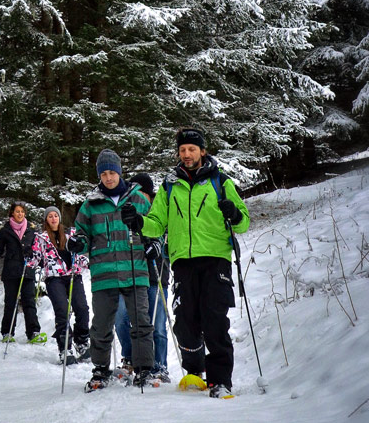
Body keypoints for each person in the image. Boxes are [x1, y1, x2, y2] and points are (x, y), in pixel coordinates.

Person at [121, 128, 250, 399]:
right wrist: (139, 222)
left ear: (202, 151)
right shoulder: (170, 185)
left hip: (215, 259)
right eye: (182, 150)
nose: (187, 154)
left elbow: (244, 222)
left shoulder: (221, 182)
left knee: (215, 320)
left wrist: (234, 213)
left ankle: (220, 380)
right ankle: (194, 371)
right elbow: (157, 223)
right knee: (185, 322)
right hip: (182, 261)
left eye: (192, 149)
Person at [69, 149, 155, 390]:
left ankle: (144, 368)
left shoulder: (138, 199)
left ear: (120, 172)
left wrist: (152, 243)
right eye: (104, 173)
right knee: (102, 325)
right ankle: (99, 369)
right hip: (104, 273)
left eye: (112, 172)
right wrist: (77, 243)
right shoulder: (90, 204)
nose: (108, 177)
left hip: (135, 270)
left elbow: (154, 227)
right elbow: (82, 235)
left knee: (141, 322)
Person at [114, 173, 170, 381]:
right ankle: (130, 358)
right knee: (122, 319)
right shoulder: (127, 214)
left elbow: (168, 241)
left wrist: (157, 246)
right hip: (130, 278)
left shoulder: (157, 213)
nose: (139, 197)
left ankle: (160, 365)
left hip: (155, 277)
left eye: (143, 193)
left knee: (157, 325)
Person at [29, 206, 89, 362]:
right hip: (54, 278)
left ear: (59, 218)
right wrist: (27, 254)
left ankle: (81, 340)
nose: (53, 218)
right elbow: (35, 259)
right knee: (62, 311)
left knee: (82, 308)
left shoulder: (70, 234)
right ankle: (65, 348)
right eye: (50, 216)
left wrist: (86, 261)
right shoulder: (41, 237)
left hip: (73, 275)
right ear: (46, 219)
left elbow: (79, 254)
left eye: (56, 215)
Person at [0, 201, 44, 343]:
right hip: (11, 271)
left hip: (27, 270)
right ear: (12, 213)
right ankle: (7, 332)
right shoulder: (5, 230)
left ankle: (33, 331)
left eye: (22, 211)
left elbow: (38, 249)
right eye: (17, 211)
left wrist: (34, 254)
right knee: (11, 302)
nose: (20, 214)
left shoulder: (31, 230)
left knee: (29, 301)